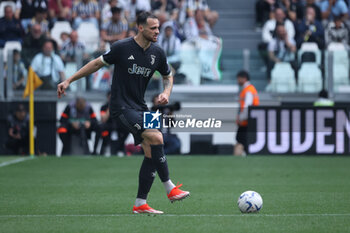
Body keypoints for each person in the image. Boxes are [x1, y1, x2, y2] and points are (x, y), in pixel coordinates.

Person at [57, 11, 190, 214]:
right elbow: (95, 64)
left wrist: (166, 92)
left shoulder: (158, 52)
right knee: (157, 137)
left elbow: (168, 75)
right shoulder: (121, 47)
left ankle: (140, 204)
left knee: (151, 151)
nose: (157, 31)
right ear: (140, 28)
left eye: (158, 28)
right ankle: (169, 188)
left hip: (142, 106)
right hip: (121, 107)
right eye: (153, 28)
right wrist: (68, 80)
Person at [234, 70, 259, 156]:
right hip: (249, 121)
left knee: (240, 141)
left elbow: (247, 106)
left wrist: (241, 118)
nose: (237, 81)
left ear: (244, 78)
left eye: (239, 79)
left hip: (246, 122)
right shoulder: (249, 89)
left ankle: (237, 159)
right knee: (243, 142)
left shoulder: (248, 90)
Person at [98, 91, 129, 156]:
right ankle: (105, 148)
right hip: (108, 126)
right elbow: (103, 119)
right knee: (101, 128)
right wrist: (110, 107)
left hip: (119, 126)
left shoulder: (121, 106)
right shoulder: (104, 107)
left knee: (128, 128)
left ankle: (120, 147)